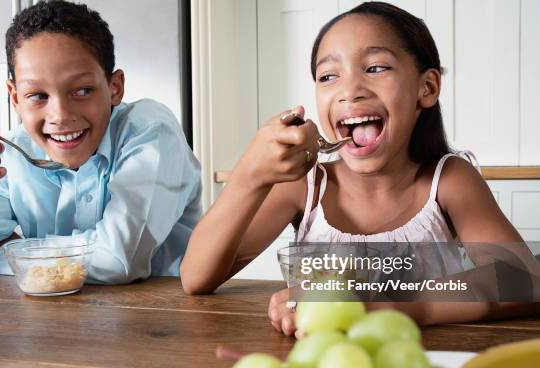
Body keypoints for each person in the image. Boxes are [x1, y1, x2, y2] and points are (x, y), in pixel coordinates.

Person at [180, 2, 538, 334]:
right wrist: (250, 177)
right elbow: (196, 278)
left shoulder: (449, 180)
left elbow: (522, 280)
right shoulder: (305, 185)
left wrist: (381, 302)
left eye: (376, 68)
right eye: (328, 76)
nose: (350, 91)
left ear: (426, 88)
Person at [0, 0, 202, 283]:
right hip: (52, 322)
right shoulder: (12, 152)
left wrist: (3, 252)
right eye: (38, 95)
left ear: (114, 87)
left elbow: (118, 259)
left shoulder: (150, 131)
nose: (60, 115)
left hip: (162, 317)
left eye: (82, 90)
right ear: (15, 98)